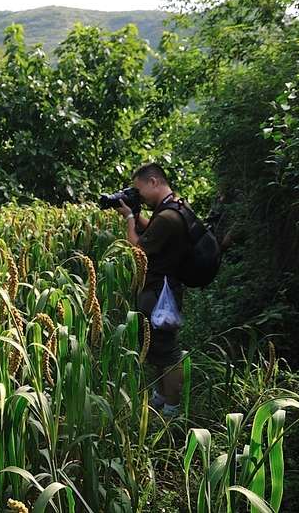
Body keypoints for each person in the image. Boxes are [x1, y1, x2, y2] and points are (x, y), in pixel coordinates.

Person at [115, 163, 189, 418]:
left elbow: (138, 250)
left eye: (139, 189)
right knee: (156, 346)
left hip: (161, 294)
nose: (138, 194)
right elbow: (151, 231)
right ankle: (161, 399)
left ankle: (172, 410)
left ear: (154, 182)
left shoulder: (168, 217)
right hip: (161, 289)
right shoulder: (173, 208)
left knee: (167, 350)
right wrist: (134, 212)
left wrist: (128, 219)